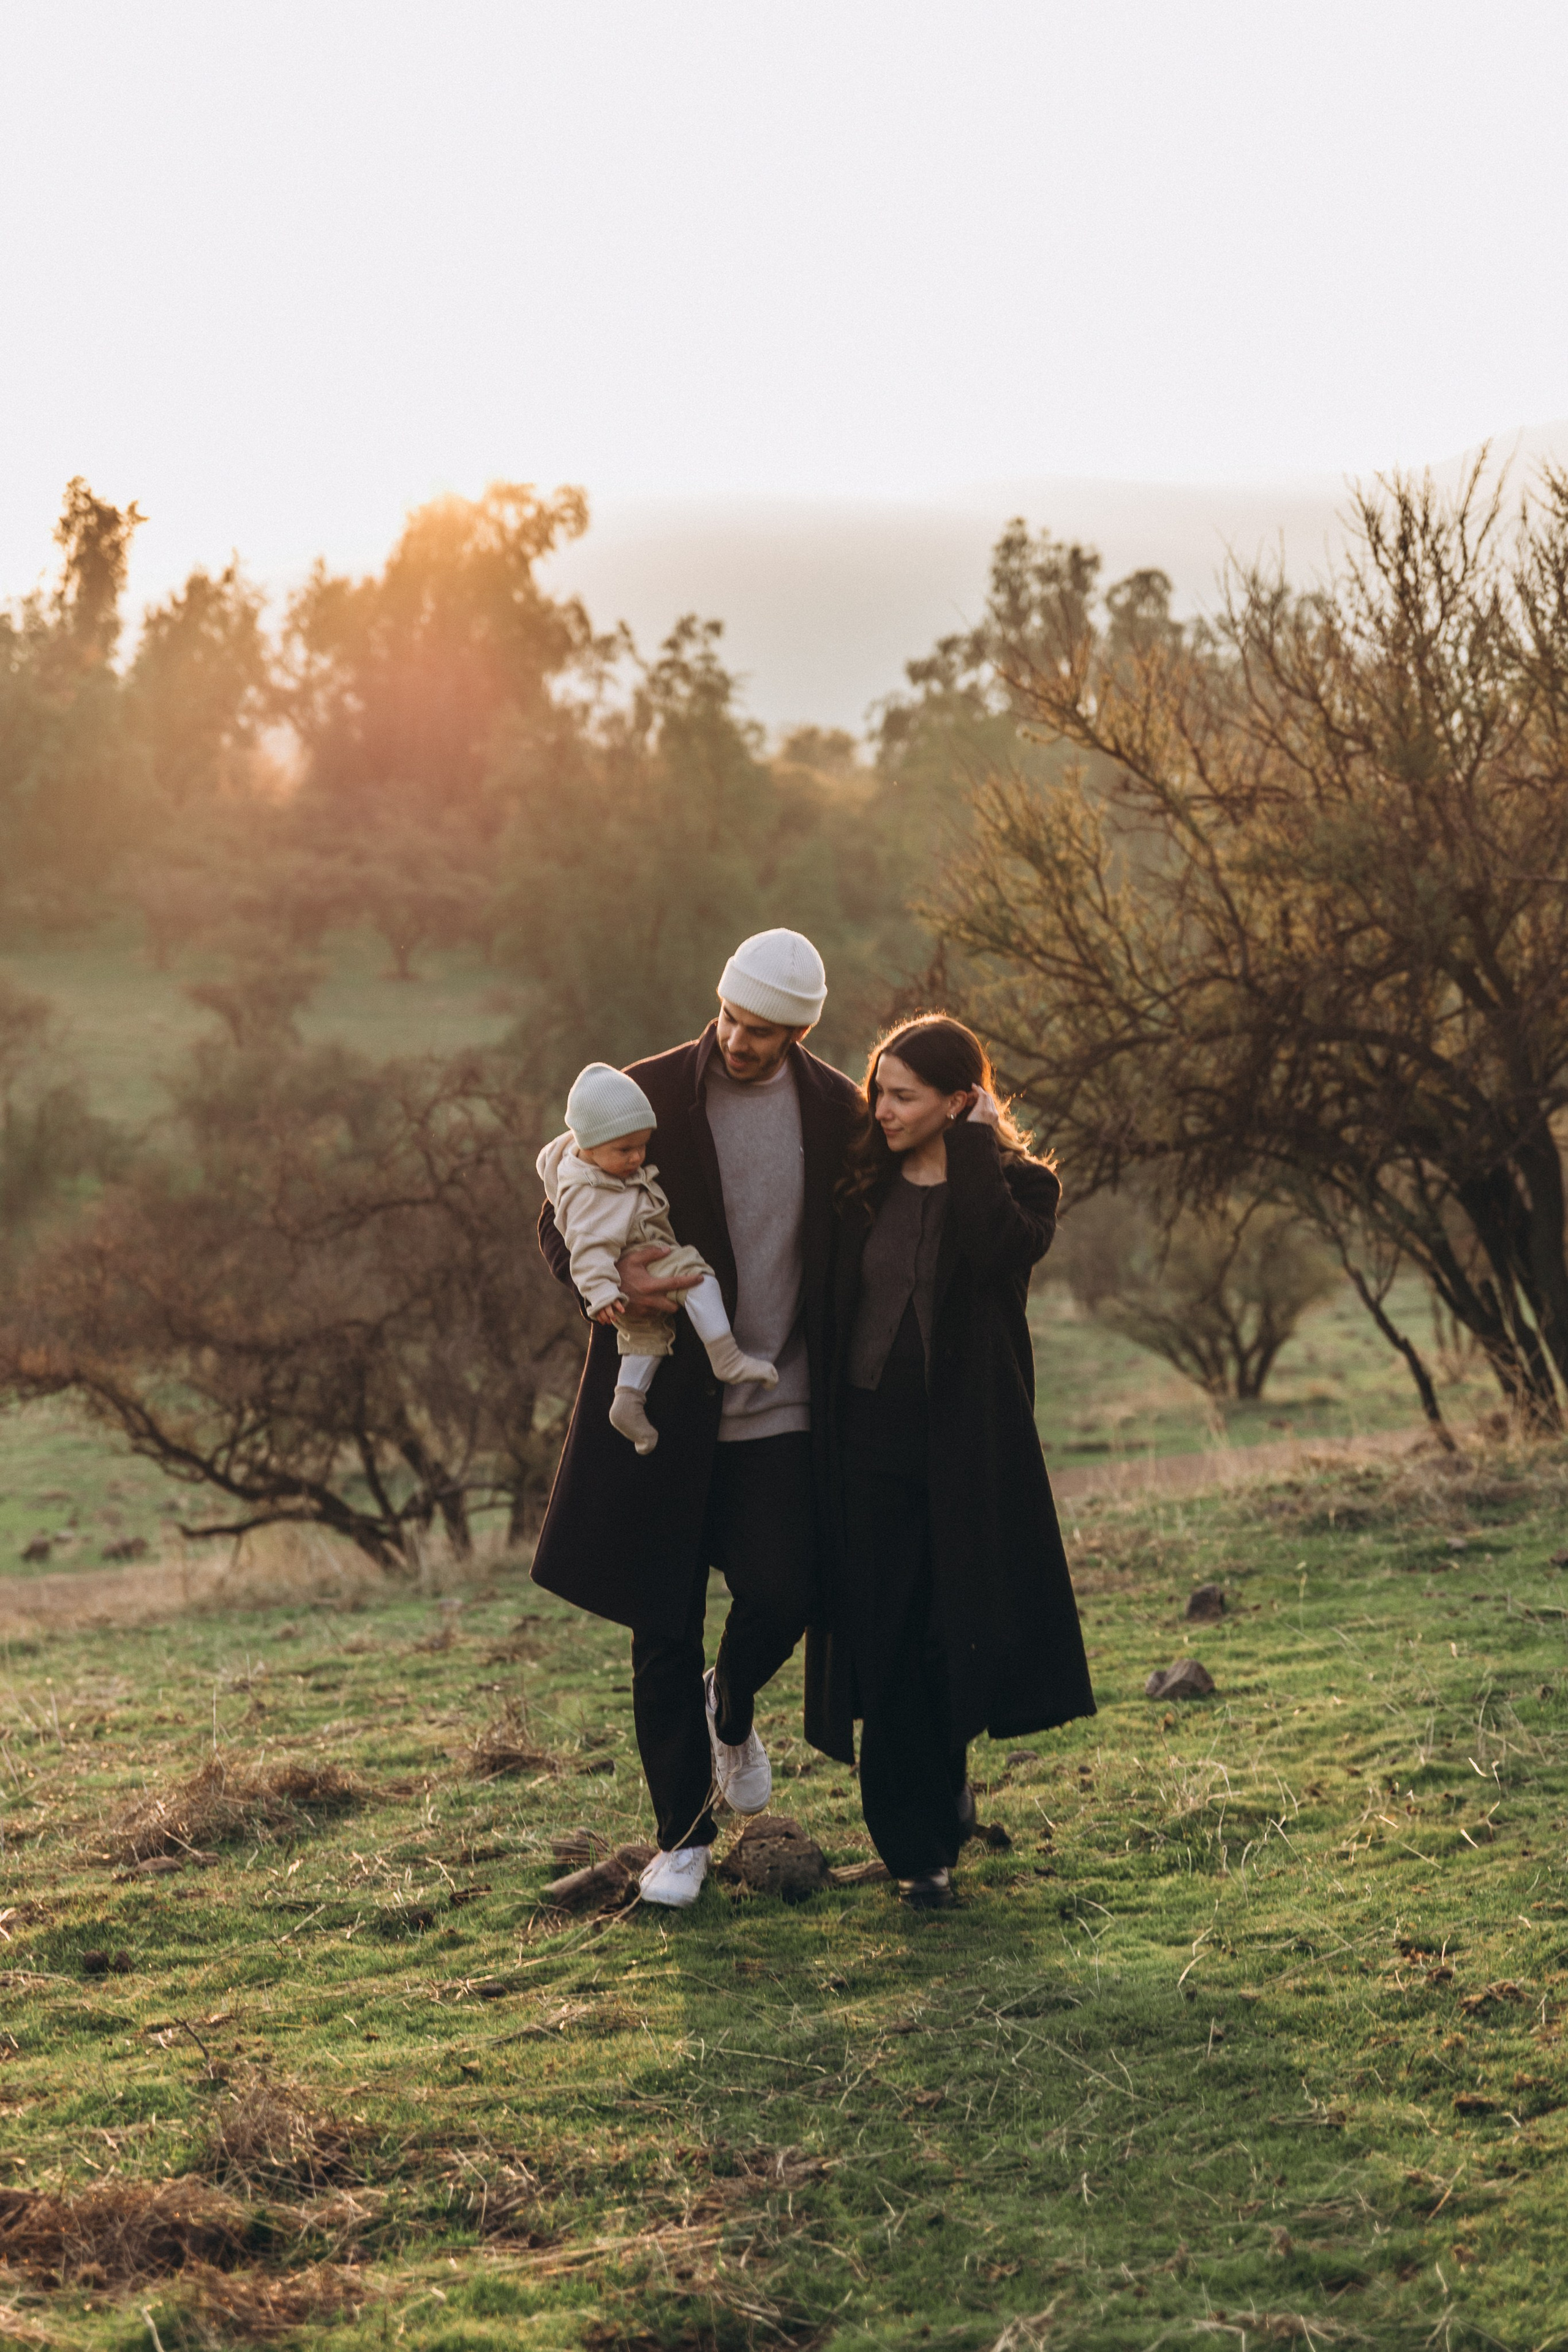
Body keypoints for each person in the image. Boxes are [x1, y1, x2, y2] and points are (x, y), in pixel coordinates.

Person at [531, 930, 862, 1907]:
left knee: (788, 1587)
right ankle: (681, 1837)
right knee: (659, 1624)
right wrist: (603, 1283)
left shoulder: (840, 1110)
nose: (738, 1041)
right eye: (730, 1017)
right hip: (664, 1400)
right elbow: (559, 1207)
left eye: (763, 1031)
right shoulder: (644, 1094)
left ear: (800, 1030)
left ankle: (734, 1701)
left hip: (780, 1393)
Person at [819, 1014, 1095, 1906]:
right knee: (887, 1636)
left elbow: (998, 1250)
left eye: (904, 1095)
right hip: (867, 1446)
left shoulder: (1023, 1187)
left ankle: (945, 1799)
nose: (883, 1109)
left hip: (968, 1453)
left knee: (951, 1633)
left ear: (958, 1100)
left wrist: (974, 1151)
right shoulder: (862, 1180)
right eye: (878, 1092)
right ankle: (917, 1853)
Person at [535, 1061, 777, 1455]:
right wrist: (600, 1293)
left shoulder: (601, 1151)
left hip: (632, 1264)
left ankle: (628, 1400)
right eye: (624, 1150)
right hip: (641, 1253)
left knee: (646, 1339)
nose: (636, 1158)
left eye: (642, 1147)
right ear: (590, 1144)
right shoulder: (586, 1190)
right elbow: (584, 1244)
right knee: (698, 1277)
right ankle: (726, 1355)